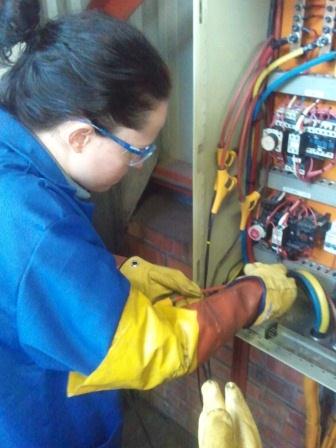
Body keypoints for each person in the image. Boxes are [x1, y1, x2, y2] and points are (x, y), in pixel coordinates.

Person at [0, 2, 297, 447]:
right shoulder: (31, 226)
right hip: (42, 426)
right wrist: (253, 297)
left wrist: (122, 273)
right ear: (81, 136)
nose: (140, 166)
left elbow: (33, 285)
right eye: (136, 151)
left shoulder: (17, 160)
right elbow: (151, 349)